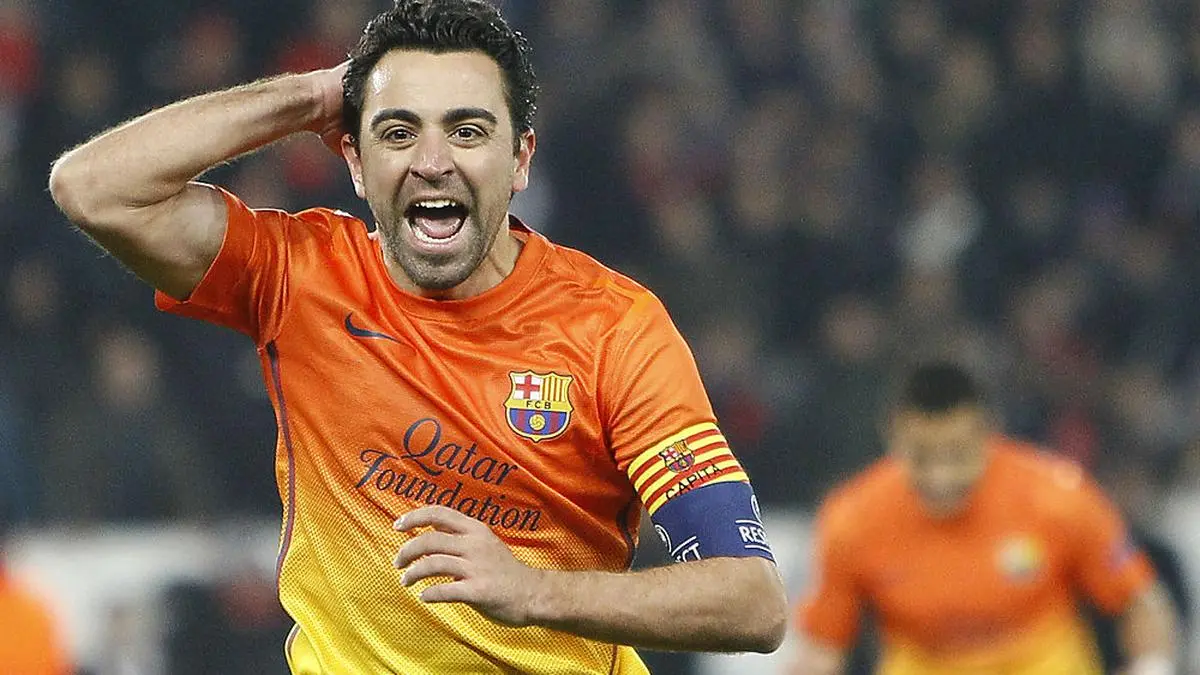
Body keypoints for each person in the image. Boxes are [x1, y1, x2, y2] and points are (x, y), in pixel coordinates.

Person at [47, 1, 787, 673]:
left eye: (468, 131)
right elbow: (93, 187)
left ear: (520, 160)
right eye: (398, 133)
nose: (433, 162)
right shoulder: (300, 277)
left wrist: (530, 589)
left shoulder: (613, 327)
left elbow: (751, 600)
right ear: (355, 162)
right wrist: (310, 97)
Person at [790, 362, 1178, 675]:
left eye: (958, 455)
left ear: (988, 433)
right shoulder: (852, 519)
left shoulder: (1058, 497)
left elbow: (1140, 604)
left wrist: (1152, 666)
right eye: (921, 457)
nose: (940, 477)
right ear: (891, 438)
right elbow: (823, 647)